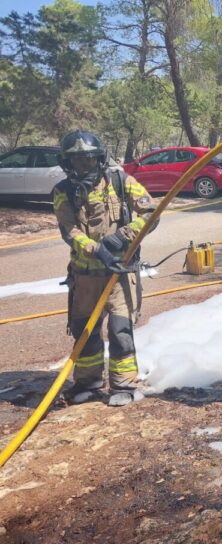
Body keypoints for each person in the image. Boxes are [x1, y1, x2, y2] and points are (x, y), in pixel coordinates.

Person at [53, 130, 158, 406]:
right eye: (76, 162)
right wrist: (97, 248)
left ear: (99, 159)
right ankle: (89, 382)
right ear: (67, 163)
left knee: (120, 330)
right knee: (84, 331)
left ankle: (123, 384)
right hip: (85, 277)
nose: (82, 166)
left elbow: (151, 214)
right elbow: (69, 231)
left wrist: (122, 237)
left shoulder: (121, 181)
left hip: (120, 276)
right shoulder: (63, 192)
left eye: (88, 160)